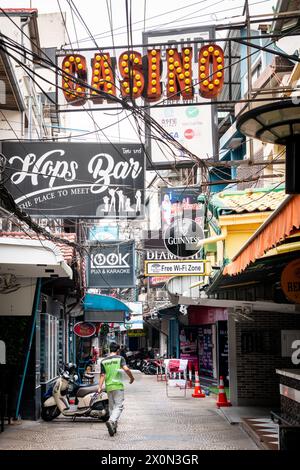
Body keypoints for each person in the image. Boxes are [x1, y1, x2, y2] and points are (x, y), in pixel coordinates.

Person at [98, 342, 134, 436]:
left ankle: (113, 427)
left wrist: (99, 387)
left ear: (110, 349)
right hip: (118, 385)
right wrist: (131, 377)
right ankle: (112, 421)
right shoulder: (120, 358)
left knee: (112, 407)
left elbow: (102, 375)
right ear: (118, 350)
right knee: (119, 406)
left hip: (109, 386)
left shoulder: (104, 361)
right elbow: (126, 369)